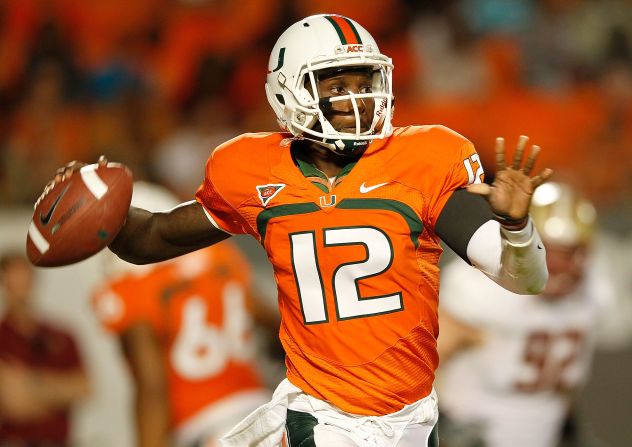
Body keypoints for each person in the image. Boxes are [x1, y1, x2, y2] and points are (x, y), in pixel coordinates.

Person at [40, 14, 553, 447]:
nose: (357, 99)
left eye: (365, 83)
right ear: (291, 93)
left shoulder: (423, 158)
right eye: (337, 86)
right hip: (322, 415)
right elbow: (150, 240)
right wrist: (98, 205)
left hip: (412, 418)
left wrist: (517, 227)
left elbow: (524, 279)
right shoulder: (254, 170)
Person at [91, 182, 275, 447]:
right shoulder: (220, 259)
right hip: (259, 409)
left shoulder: (135, 288)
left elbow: (152, 387)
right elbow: (276, 321)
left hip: (201, 427)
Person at [436, 182, 616, 447]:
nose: (563, 266)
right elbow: (424, 360)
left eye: (573, 253)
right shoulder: (482, 291)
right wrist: (443, 423)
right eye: (553, 251)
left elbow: (560, 383)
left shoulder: (592, 295)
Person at [0, 252, 90, 447]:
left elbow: (84, 387)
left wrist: (30, 384)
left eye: (24, 278)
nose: (20, 288)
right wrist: (57, 394)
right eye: (13, 280)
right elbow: (11, 401)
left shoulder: (63, 336)